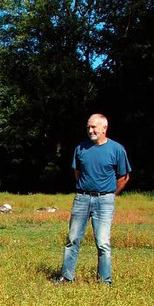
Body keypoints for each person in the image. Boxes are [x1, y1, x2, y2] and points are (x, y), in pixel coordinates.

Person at [53, 113, 131, 286]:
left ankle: (105, 282)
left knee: (103, 242)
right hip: (81, 199)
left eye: (94, 127)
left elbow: (123, 177)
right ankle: (66, 277)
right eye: (88, 127)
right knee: (72, 239)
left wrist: (109, 195)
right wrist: (86, 191)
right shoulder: (81, 148)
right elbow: (77, 172)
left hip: (105, 201)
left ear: (104, 128)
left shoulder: (117, 149)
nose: (90, 130)